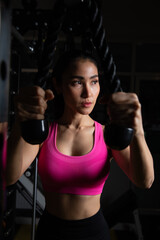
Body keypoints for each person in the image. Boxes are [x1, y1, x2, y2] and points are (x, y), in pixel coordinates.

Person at [6, 50, 154, 240]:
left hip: (93, 232)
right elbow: (8, 177)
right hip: (51, 232)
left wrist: (138, 130)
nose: (88, 92)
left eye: (94, 81)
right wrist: (21, 122)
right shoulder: (44, 134)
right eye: (77, 82)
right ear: (57, 85)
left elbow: (145, 181)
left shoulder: (105, 134)